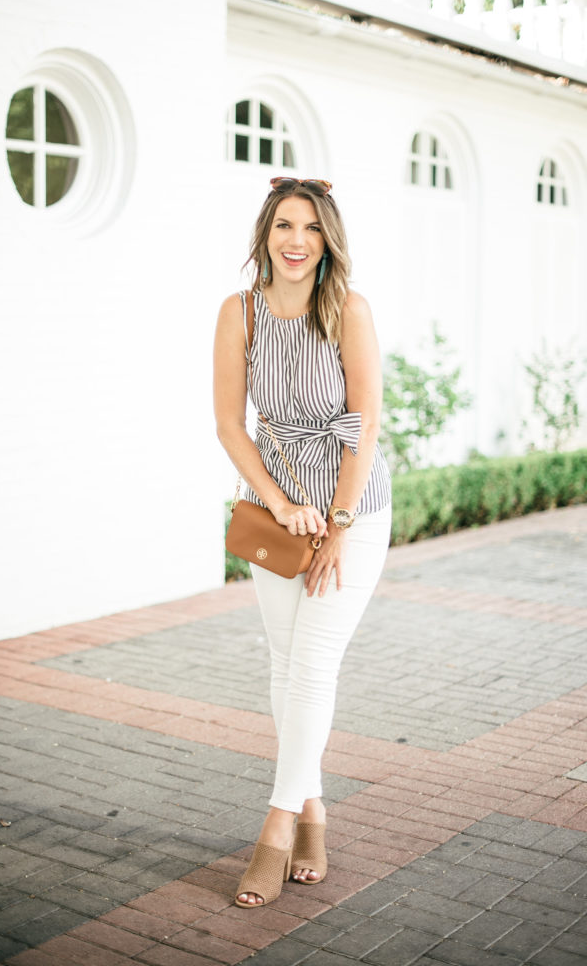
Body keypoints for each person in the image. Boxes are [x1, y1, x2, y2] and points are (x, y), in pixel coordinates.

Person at [213, 176, 391, 908]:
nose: (295, 241)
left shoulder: (348, 310)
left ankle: (278, 825)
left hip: (355, 513)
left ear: (328, 240)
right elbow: (230, 425)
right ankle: (314, 809)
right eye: (284, 225)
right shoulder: (239, 313)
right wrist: (286, 508)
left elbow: (365, 423)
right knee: (286, 665)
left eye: (310, 228)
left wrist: (338, 526)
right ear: (266, 234)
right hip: (276, 513)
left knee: (313, 663)